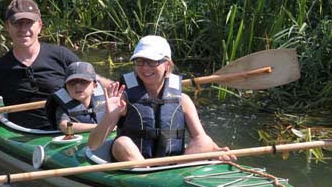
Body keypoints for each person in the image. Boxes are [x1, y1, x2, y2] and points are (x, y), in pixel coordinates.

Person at [87, 35, 232, 161]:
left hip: (172, 165)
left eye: (152, 62)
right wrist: (109, 116)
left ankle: (172, 176)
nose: (145, 68)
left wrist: (215, 150)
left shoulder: (183, 100)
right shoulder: (122, 99)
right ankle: (147, 175)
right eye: (140, 61)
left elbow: (201, 137)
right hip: (135, 164)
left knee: (205, 141)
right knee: (122, 143)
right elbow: (93, 145)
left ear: (167, 65)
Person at [0, 0, 82, 131]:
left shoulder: (61, 56)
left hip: (67, 129)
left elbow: (94, 82)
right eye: (17, 23)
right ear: (7, 26)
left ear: (39, 25)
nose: (23, 29)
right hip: (22, 133)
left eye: (29, 23)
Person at [46, 61, 107, 134]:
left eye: (84, 82)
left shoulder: (106, 101)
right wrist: (99, 127)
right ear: (66, 87)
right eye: (72, 83)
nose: (77, 86)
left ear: (95, 86)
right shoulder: (62, 107)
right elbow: (65, 127)